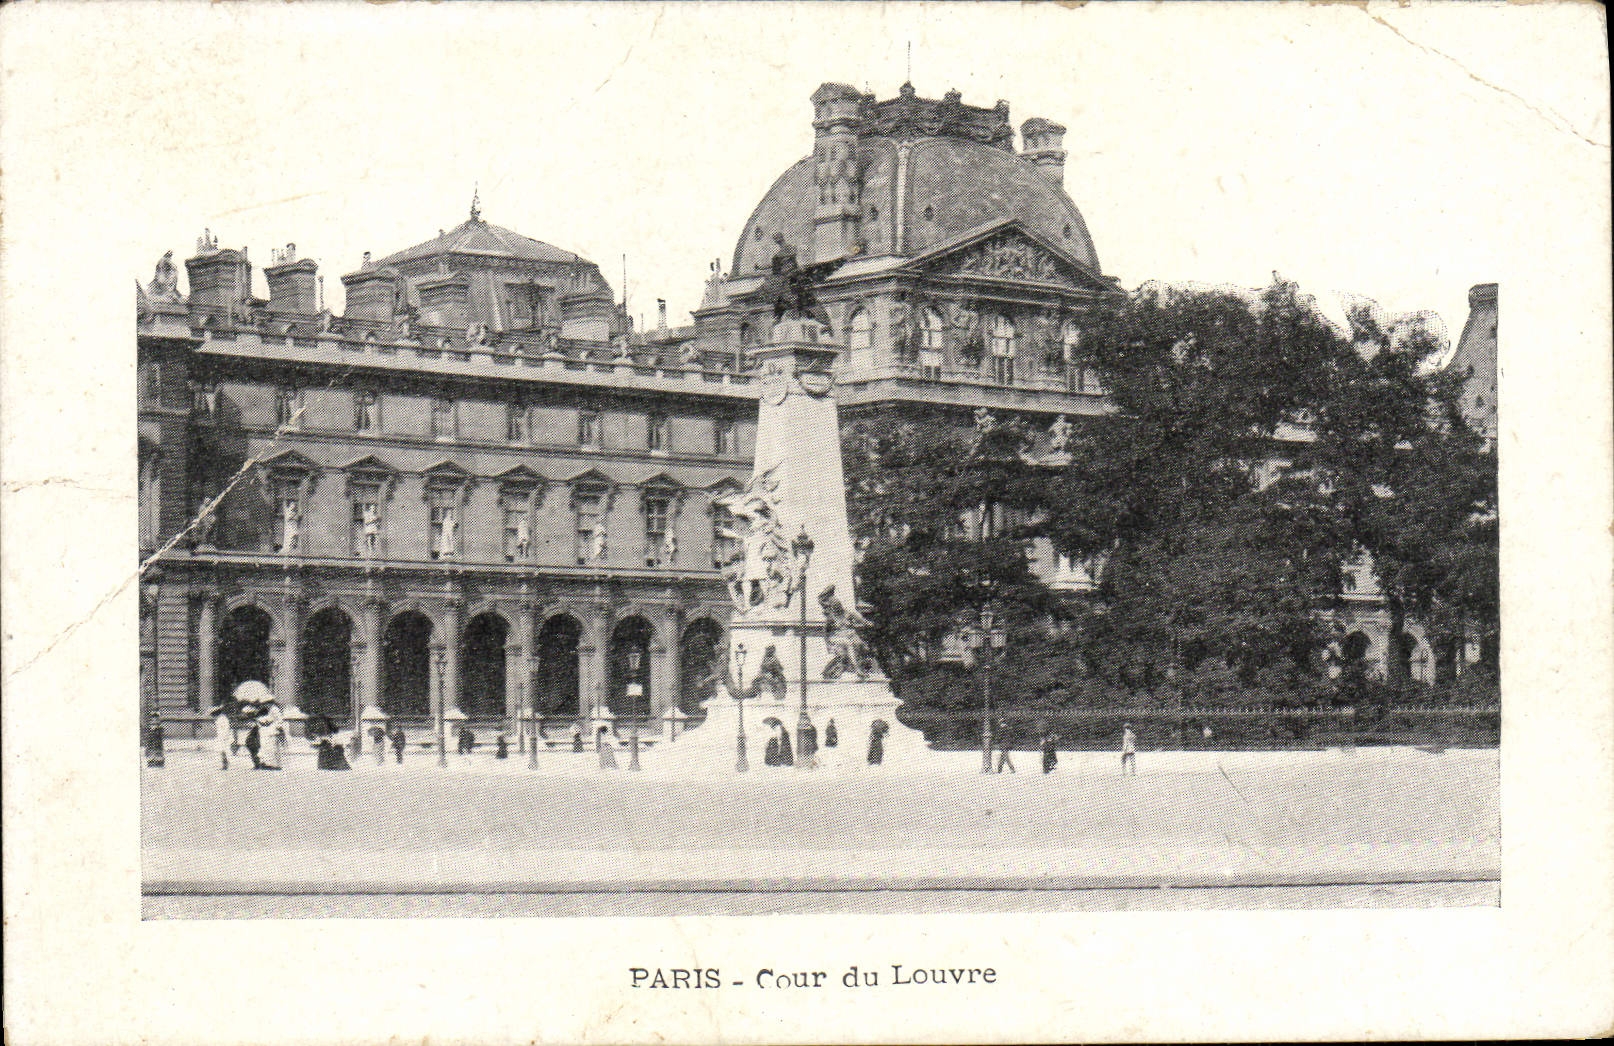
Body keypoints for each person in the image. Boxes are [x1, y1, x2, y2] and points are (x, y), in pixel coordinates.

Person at [256, 701, 284, 769]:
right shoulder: (270, 709)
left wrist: (277, 727)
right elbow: (269, 719)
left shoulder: (274, 709)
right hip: (268, 731)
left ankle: (274, 764)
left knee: (272, 748)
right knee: (268, 748)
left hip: (272, 731)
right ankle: (267, 763)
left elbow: (279, 720)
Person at [211, 705, 233, 771]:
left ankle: (225, 764)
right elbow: (218, 728)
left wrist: (224, 736)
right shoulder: (219, 718)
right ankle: (224, 764)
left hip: (224, 736)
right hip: (221, 736)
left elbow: (226, 728)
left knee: (223, 750)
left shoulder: (223, 718)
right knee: (221, 750)